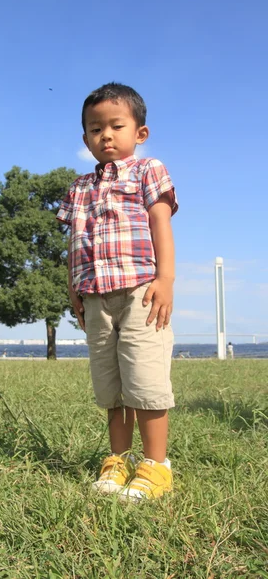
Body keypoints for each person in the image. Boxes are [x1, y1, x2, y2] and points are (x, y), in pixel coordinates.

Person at [57, 83, 178, 501]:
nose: (105, 135)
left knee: (144, 380)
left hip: (140, 292)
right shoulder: (78, 187)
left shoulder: (148, 170)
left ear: (139, 133)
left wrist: (165, 280)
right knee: (111, 388)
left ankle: (156, 466)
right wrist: (74, 288)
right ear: (85, 137)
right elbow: (73, 241)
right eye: (94, 129)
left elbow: (161, 223)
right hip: (94, 295)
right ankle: (117, 460)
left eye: (115, 125)